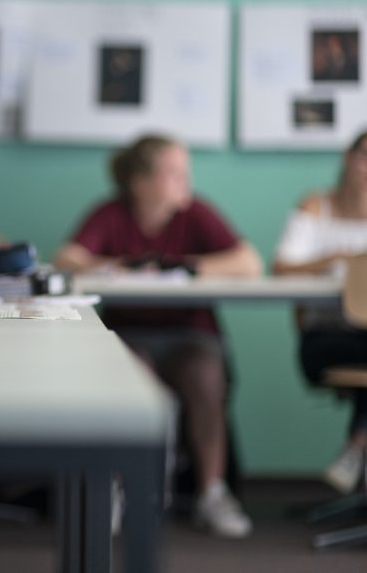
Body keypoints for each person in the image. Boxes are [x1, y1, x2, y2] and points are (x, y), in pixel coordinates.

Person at [54, 133, 262, 538]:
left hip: (191, 336)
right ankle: (121, 489)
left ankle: (212, 492)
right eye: (174, 173)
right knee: (131, 377)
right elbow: (68, 259)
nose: (185, 180)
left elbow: (248, 262)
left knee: (206, 377)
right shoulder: (111, 213)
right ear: (140, 181)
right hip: (132, 334)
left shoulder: (197, 213)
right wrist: (121, 267)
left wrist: (185, 267)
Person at [274, 130, 367, 494]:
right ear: (348, 158)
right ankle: (358, 446)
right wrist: (337, 258)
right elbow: (281, 267)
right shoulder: (316, 207)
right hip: (326, 337)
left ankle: (357, 445)